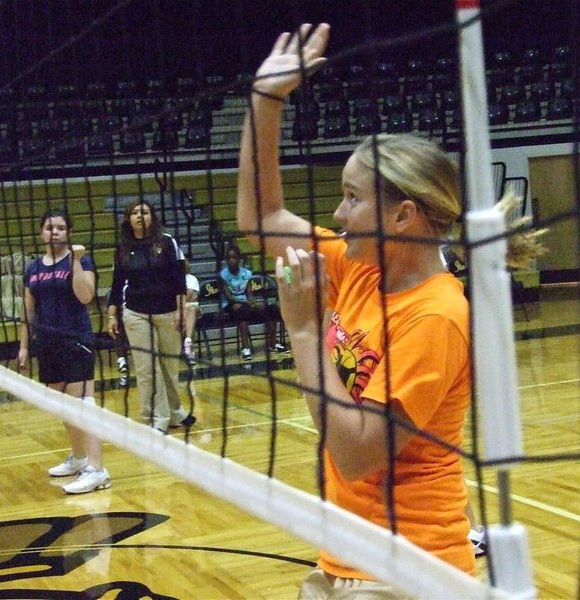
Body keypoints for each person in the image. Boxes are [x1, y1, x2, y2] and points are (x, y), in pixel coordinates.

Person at [237, 23, 475, 595]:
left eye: (352, 196)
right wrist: (265, 101)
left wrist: (304, 328)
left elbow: (354, 454)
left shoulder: (436, 316)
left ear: (403, 216)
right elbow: (261, 220)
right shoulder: (359, 263)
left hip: (407, 568)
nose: (339, 214)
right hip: (350, 553)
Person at [17, 209, 111, 495]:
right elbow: (27, 311)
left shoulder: (81, 260)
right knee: (64, 407)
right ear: (41, 232)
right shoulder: (33, 268)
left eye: (60, 227)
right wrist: (23, 346)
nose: (54, 232)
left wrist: (76, 261)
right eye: (49, 227)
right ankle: (79, 459)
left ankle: (97, 470)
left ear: (68, 232)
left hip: (76, 340)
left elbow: (86, 295)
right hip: (48, 345)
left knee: (83, 404)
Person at [106, 199, 196, 433]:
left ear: (152, 217)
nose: (139, 216)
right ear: (128, 219)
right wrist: (112, 315)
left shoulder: (167, 243)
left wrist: (180, 310)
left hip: (167, 312)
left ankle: (175, 412)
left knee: (169, 367)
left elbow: (179, 280)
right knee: (147, 369)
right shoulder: (123, 249)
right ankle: (157, 418)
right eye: (134, 212)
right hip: (136, 314)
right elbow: (116, 286)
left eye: (144, 212)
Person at [218, 243, 285, 363]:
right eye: (229, 258)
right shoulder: (223, 275)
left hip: (244, 303)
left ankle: (272, 344)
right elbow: (229, 297)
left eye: (234, 258)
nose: (231, 261)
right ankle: (245, 348)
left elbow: (249, 293)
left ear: (239, 259)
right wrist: (246, 304)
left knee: (272, 309)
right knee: (242, 311)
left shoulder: (246, 273)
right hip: (230, 305)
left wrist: (253, 303)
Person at [106, 287, 131, 387]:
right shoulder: (117, 289)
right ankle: (121, 359)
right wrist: (112, 317)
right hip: (122, 315)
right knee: (117, 327)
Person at [182, 259, 201, 366]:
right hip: (178, 308)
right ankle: (189, 348)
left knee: (191, 311)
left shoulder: (191, 279)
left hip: (191, 308)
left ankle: (188, 342)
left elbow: (189, 295)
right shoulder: (171, 279)